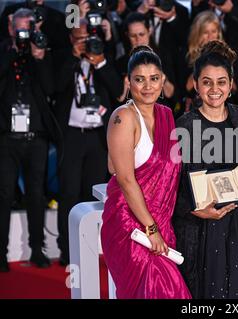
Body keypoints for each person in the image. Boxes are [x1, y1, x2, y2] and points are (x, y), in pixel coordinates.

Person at [100, 46, 191, 299]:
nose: (148, 86)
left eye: (154, 79)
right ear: (128, 82)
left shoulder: (166, 115)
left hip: (160, 224)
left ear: (163, 81)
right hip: (131, 227)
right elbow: (126, 179)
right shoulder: (123, 117)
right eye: (139, 79)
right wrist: (152, 230)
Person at [173, 40, 238, 299]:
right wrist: (193, 210)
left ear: (231, 84)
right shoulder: (185, 125)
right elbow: (171, 185)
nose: (214, 89)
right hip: (200, 231)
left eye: (221, 81)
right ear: (196, 84)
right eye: (207, 82)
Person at [53, 19, 122, 266]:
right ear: (71, 39)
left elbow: (118, 91)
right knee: (69, 193)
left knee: (92, 193)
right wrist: (74, 58)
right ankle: (67, 249)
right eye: (80, 38)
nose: (85, 42)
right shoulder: (64, 59)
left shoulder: (104, 58)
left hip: (97, 137)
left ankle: (93, 247)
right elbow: (55, 86)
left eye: (88, 37)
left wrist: (100, 62)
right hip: (72, 135)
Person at [0, 8, 57, 272]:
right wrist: (12, 51)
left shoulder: (41, 53)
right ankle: (1, 253)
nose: (24, 34)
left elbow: (50, 88)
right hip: (6, 138)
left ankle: (37, 249)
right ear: (11, 28)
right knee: (3, 194)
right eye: (20, 29)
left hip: (36, 137)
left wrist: (40, 57)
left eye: (29, 29)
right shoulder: (3, 51)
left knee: (36, 195)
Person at [191, 0, 238, 127]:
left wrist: (232, 10)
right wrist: (196, 6)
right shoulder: (204, 3)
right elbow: (195, 30)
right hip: (216, 75)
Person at [115, 12, 176, 107]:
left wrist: (161, 78)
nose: (138, 40)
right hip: (132, 115)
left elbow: (171, 94)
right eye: (133, 36)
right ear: (127, 35)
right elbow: (119, 99)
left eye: (141, 34)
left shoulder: (163, 57)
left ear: (149, 31)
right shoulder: (121, 63)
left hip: (159, 114)